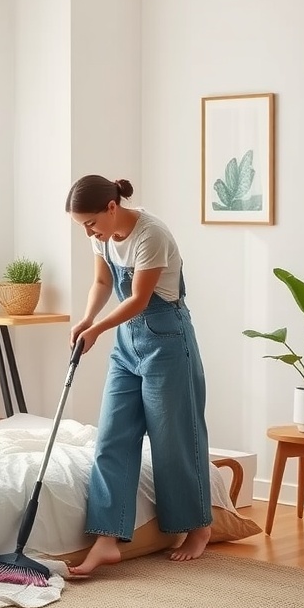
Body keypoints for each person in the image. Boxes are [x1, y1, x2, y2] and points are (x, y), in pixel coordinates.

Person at [65, 174, 212, 576]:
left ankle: (198, 527)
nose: (88, 231)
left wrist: (97, 330)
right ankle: (107, 539)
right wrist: (87, 318)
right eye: (83, 226)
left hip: (167, 340)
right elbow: (102, 280)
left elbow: (138, 299)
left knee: (174, 437)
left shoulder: (152, 234)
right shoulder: (102, 235)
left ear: (111, 207)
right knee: (112, 435)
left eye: (90, 222)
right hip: (127, 346)